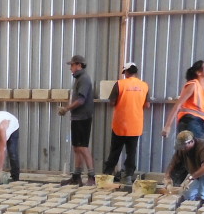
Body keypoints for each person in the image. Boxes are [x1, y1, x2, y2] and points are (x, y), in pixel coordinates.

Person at [103, 62, 150, 185]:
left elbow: (112, 102)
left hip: (120, 124)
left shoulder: (120, 84)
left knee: (115, 151)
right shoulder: (144, 86)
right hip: (135, 125)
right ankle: (128, 176)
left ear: (126, 72)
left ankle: (107, 174)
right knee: (131, 152)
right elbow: (147, 105)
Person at [161, 59, 204, 140]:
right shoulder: (193, 85)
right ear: (198, 72)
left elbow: (203, 106)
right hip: (189, 122)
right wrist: (167, 126)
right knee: (198, 150)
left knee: (194, 151)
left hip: (197, 122)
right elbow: (178, 105)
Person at [58, 55, 95, 186]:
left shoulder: (84, 79)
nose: (70, 68)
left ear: (79, 65)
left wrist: (66, 108)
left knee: (83, 147)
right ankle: (76, 176)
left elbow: (81, 100)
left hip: (83, 117)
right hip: (77, 117)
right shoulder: (79, 79)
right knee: (76, 147)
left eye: (72, 65)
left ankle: (91, 177)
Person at [163, 130, 204, 201]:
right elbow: (172, 164)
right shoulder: (182, 150)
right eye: (181, 146)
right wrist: (167, 178)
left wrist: (191, 177)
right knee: (188, 195)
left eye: (184, 146)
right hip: (200, 174)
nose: (182, 148)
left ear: (191, 142)